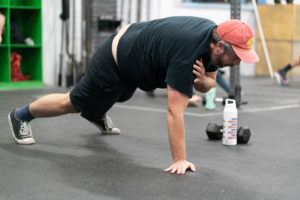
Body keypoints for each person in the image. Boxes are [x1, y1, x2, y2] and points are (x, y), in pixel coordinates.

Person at [8, 16, 258, 175]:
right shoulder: (189, 53)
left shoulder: (214, 44)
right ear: (220, 46)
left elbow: (207, 84)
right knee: (73, 103)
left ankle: (96, 112)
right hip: (115, 61)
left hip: (135, 62)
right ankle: (21, 115)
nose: (238, 63)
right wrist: (180, 159)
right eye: (236, 57)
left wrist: (204, 79)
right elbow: (174, 112)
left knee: (121, 96)